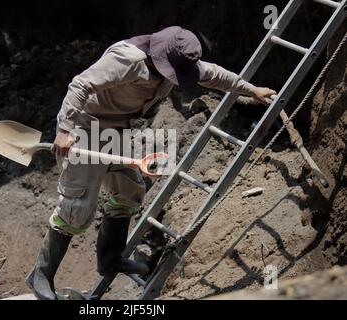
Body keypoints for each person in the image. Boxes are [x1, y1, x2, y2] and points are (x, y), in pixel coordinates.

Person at [26, 26, 276, 300]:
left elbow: (214, 73)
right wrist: (65, 128)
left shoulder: (180, 59)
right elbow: (81, 84)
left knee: (130, 191)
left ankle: (110, 259)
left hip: (116, 131)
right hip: (86, 129)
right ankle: (41, 275)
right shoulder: (128, 60)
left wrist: (251, 89)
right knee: (77, 206)